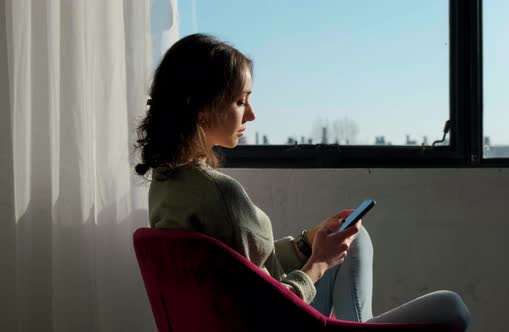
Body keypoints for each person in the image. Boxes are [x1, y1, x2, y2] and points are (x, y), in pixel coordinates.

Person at [134, 33, 470, 329]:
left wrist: (307, 243)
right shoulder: (222, 195)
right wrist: (318, 263)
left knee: (356, 238)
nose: (251, 114)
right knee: (451, 307)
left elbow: (247, 272)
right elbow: (269, 310)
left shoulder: (166, 185)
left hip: (256, 312)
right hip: (278, 320)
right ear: (201, 108)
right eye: (241, 101)